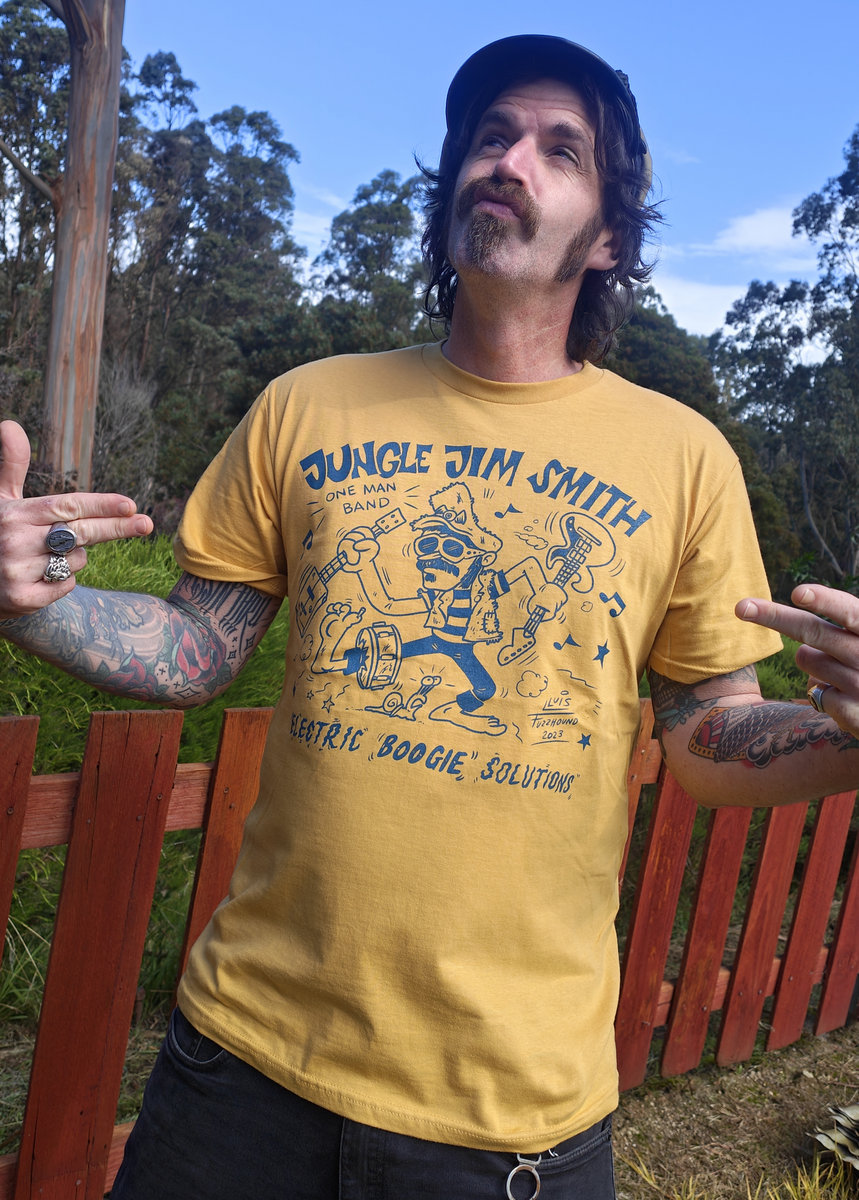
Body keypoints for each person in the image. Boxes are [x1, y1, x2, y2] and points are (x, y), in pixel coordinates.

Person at [1, 33, 858, 1200]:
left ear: (610, 237)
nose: (509, 160)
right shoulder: (306, 404)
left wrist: (849, 736)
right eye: (490, 136)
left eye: (560, 149)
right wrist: (30, 608)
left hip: (511, 1112)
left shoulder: (682, 457)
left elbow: (710, 735)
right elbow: (196, 648)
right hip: (242, 1069)